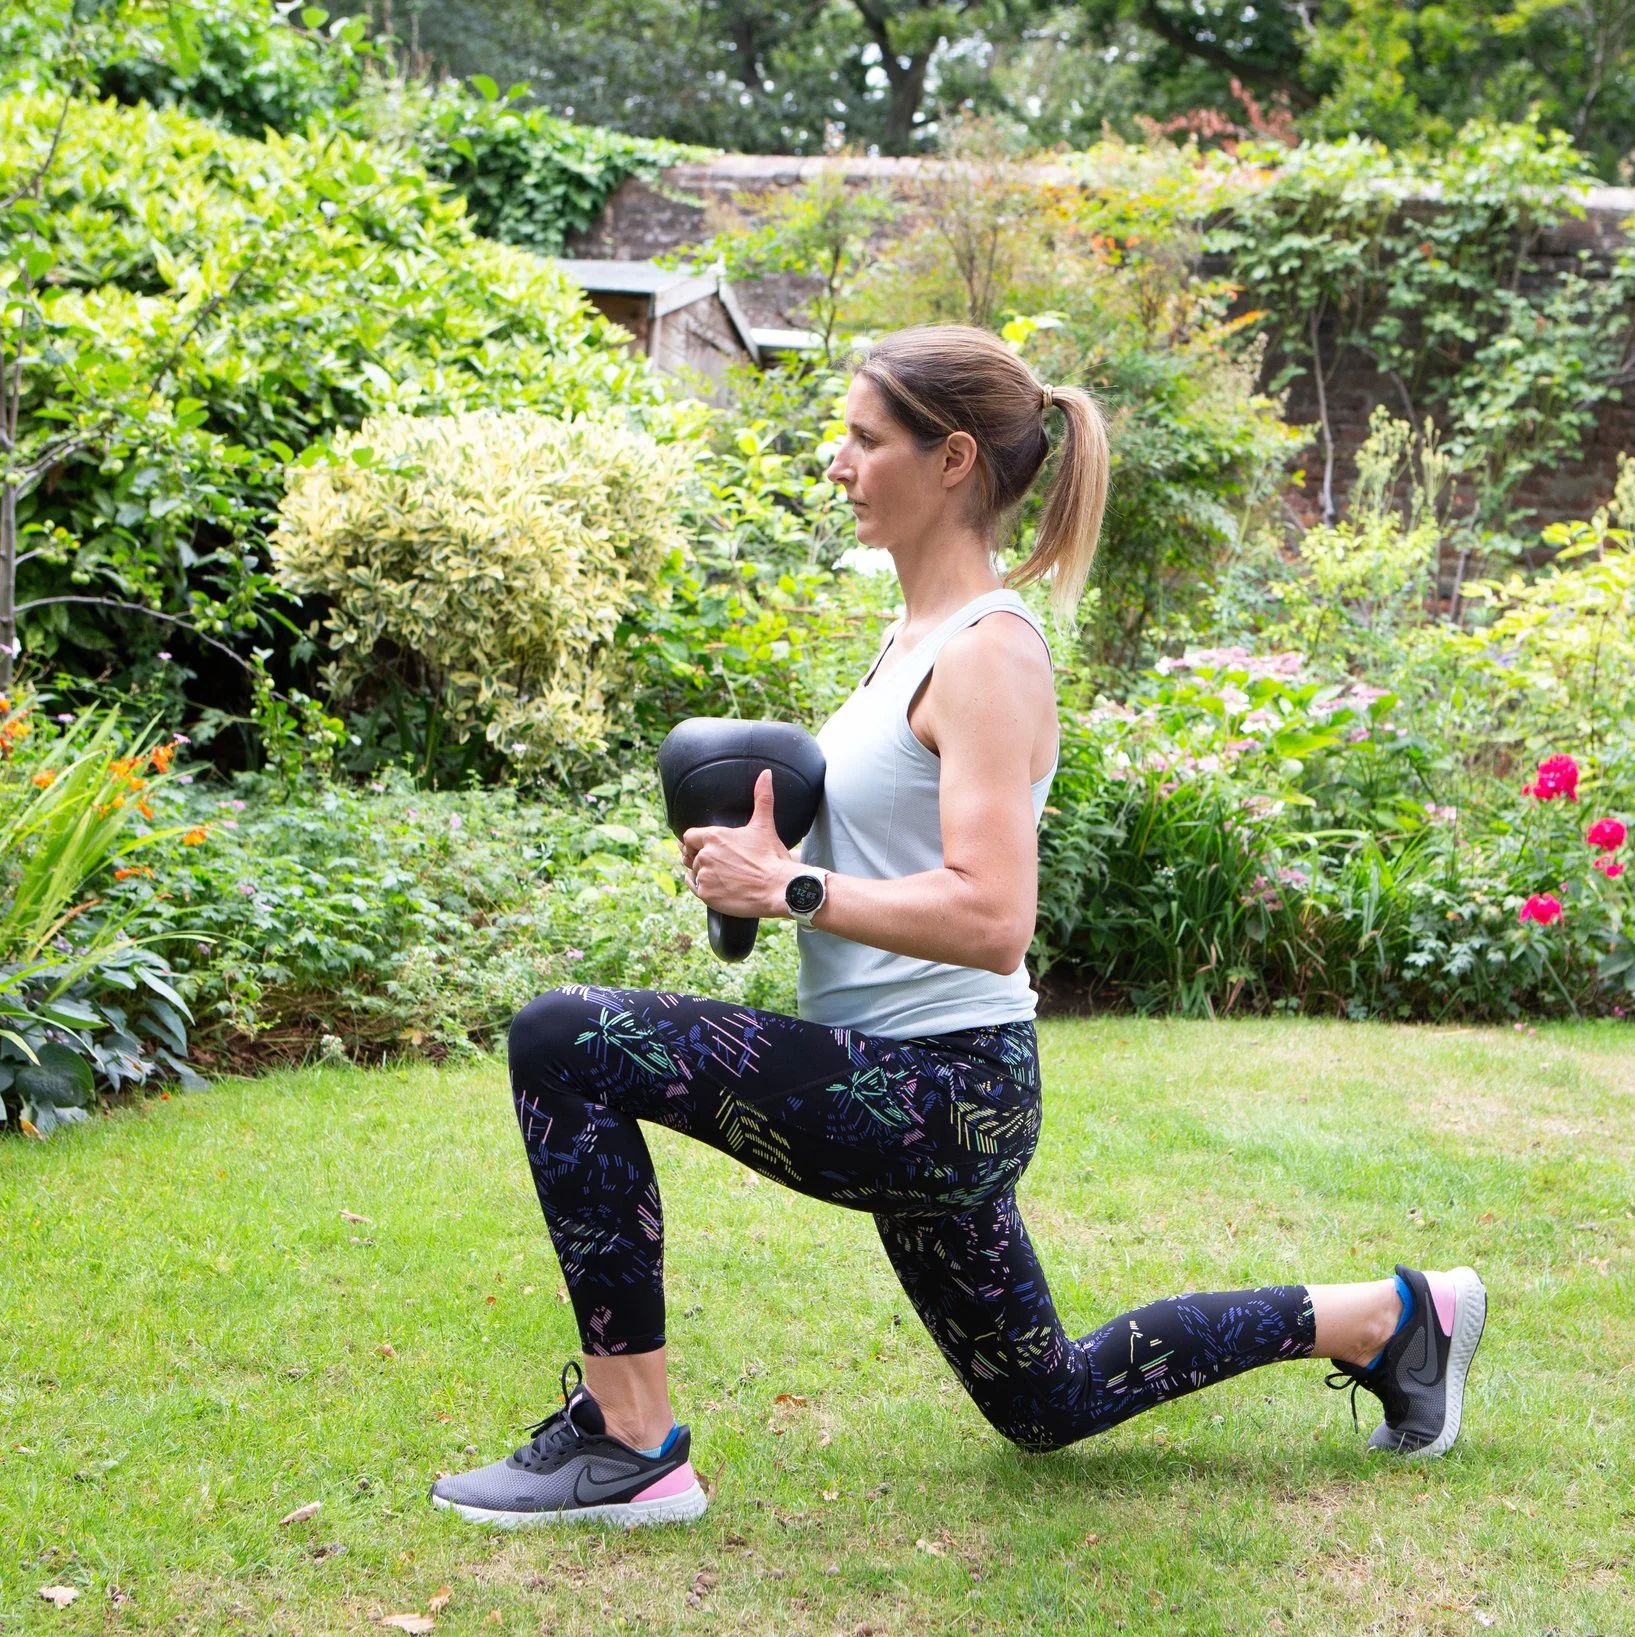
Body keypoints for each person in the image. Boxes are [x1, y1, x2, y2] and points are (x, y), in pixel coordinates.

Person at [431, 325, 1487, 1530]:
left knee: (564, 1036)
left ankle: (630, 1446)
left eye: (863, 438)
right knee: (1049, 1399)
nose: (838, 461)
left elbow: (993, 915)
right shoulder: (907, 646)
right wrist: (754, 869)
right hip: (908, 1082)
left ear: (951, 459)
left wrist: (792, 889)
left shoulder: (992, 653)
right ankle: (1398, 1317)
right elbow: (868, 874)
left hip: (945, 1088)